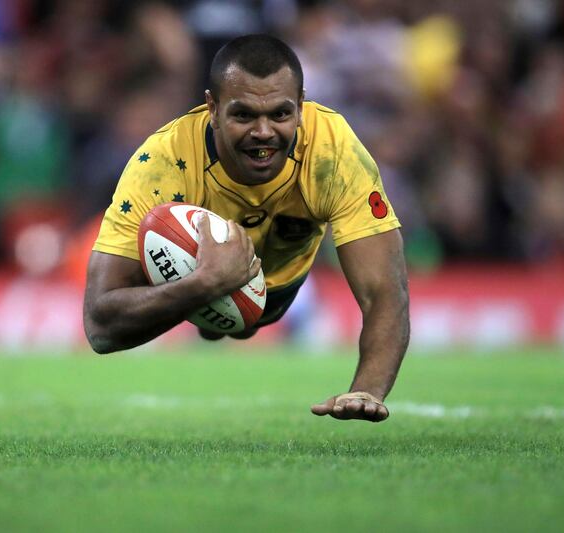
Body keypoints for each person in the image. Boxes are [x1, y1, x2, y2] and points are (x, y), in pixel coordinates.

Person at [83, 34, 410, 423]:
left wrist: (367, 389)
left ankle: (221, 321)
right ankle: (210, 318)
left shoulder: (333, 151)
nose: (263, 132)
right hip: (190, 278)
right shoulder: (161, 163)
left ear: (302, 107)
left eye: (280, 114)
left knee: (243, 327)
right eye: (243, 115)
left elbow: (385, 294)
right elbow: (100, 326)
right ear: (212, 108)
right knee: (214, 321)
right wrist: (203, 285)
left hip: (278, 290)